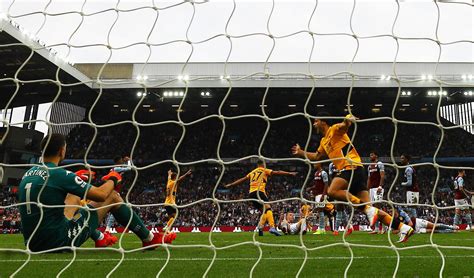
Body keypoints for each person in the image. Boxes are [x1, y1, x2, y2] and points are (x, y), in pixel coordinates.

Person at [18, 133, 175, 252]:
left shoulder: (28, 174)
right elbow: (101, 195)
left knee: (74, 197)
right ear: (61, 150)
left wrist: (78, 182)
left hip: (32, 243)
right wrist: (113, 178)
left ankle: (99, 237)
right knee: (113, 196)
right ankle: (149, 238)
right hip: (57, 242)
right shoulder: (59, 174)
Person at [291, 112, 414, 243]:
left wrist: (348, 119)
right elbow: (316, 157)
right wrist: (300, 152)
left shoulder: (334, 130)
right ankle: (403, 228)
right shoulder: (323, 141)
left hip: (351, 167)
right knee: (370, 210)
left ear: (323, 122)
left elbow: (344, 125)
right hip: (356, 171)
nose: (314, 124)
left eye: (316, 121)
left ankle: (370, 210)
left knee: (332, 191)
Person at [224, 160, 297, 236]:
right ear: (262, 164)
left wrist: (231, 184)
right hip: (259, 192)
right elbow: (277, 172)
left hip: (251, 194)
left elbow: (242, 179)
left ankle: (260, 227)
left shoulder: (252, 172)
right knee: (268, 209)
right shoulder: (264, 170)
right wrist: (289, 173)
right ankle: (272, 227)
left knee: (264, 212)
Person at [367, 151, 386, 234]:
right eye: (370, 155)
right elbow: (369, 179)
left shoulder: (380, 164)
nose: (370, 156)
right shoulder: (369, 167)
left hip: (378, 188)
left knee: (378, 207)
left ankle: (384, 227)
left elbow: (382, 175)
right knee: (374, 209)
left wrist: (380, 186)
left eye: (372, 155)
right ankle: (377, 228)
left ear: (376, 155)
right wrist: (367, 189)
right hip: (371, 189)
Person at [400, 154, 419, 218]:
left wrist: (402, 183)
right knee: (412, 209)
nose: (401, 160)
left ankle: (414, 225)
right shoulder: (411, 167)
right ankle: (414, 224)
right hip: (414, 189)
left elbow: (409, 183)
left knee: (412, 209)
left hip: (412, 190)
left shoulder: (408, 169)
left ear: (406, 159)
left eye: (402, 158)